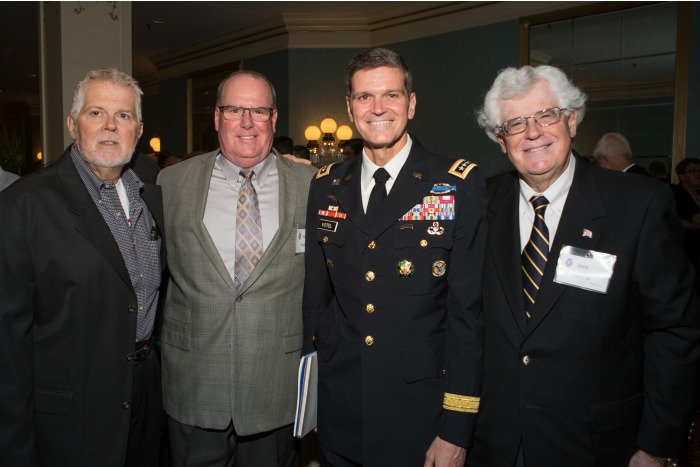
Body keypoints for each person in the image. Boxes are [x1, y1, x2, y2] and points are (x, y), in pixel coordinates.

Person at [470, 65, 700, 466]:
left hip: (598, 446)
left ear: (572, 120)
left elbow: (674, 332)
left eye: (546, 115)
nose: (533, 133)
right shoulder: (479, 203)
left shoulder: (639, 205)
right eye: (515, 123)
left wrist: (657, 446)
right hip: (497, 444)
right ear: (499, 139)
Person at [303, 47, 488, 466]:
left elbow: (468, 317)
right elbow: (316, 300)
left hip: (420, 416)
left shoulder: (456, 184)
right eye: (364, 97)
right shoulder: (327, 185)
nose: (378, 108)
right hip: (341, 409)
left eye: (391, 95)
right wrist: (312, 398)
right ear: (350, 109)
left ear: (412, 102)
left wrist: (456, 428)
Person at [0, 69, 165, 467]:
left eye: (123, 116)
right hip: (71, 416)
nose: (110, 126)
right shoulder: (24, 206)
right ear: (72, 124)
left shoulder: (152, 190)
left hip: (145, 392)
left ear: (138, 130)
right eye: (96, 113)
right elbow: (7, 347)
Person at [158, 70, 316, 467]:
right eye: (234, 109)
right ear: (216, 118)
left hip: (274, 386)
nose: (246, 122)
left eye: (258, 110)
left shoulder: (312, 184)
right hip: (194, 382)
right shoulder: (168, 183)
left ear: (274, 119)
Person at [671, 158, 700, 281]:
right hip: (685, 250)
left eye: (699, 170)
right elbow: (671, 220)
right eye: (692, 171)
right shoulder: (675, 193)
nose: (697, 174)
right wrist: (694, 225)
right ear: (682, 176)